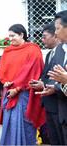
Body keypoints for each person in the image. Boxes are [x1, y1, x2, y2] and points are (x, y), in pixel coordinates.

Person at [0, 24, 46, 145]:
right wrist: (6, 81)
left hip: (25, 94)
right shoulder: (7, 51)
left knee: (26, 125)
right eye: (9, 36)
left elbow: (31, 72)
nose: (10, 38)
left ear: (22, 35)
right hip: (9, 93)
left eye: (13, 35)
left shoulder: (33, 50)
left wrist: (17, 88)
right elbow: (2, 70)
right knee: (10, 124)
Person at [29, 22, 63, 144]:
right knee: (54, 139)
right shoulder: (49, 54)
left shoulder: (63, 53)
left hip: (59, 104)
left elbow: (58, 77)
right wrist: (40, 83)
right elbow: (47, 76)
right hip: (49, 104)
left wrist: (44, 85)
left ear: (55, 35)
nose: (42, 40)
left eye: (44, 36)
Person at [45, 10, 67, 144]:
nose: (56, 32)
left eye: (58, 28)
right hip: (63, 115)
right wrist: (55, 87)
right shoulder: (60, 50)